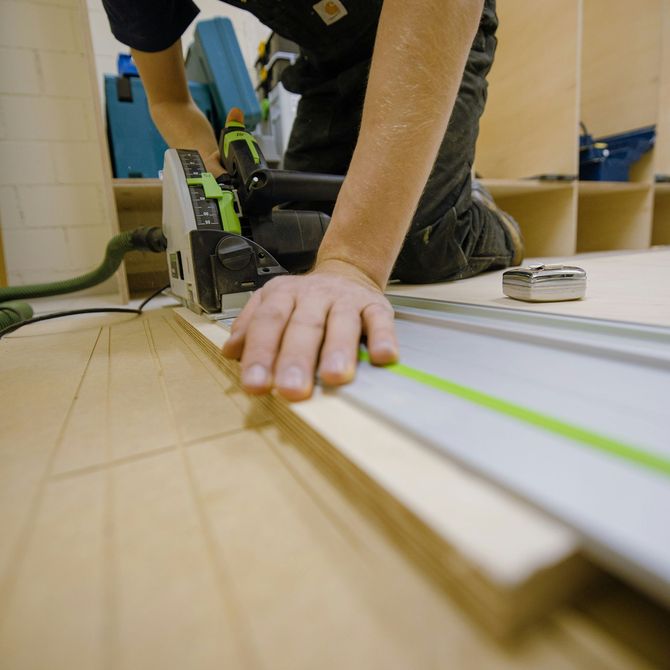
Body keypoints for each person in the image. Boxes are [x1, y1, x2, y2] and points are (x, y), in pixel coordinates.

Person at [102, 0, 523, 401]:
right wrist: (213, 169)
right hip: (327, 62)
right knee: (298, 241)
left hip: (429, 25)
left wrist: (353, 264)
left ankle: (482, 215)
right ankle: (437, 193)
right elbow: (169, 100)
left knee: (420, 243)